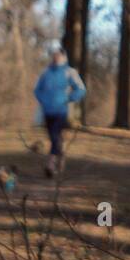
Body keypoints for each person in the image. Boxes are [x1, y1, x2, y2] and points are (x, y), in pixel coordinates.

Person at [33, 45, 86, 177]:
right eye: (54, 55)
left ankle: (50, 165)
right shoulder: (46, 72)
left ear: (63, 56)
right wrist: (44, 100)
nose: (56, 57)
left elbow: (81, 89)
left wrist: (68, 98)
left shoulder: (69, 72)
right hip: (47, 111)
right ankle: (61, 159)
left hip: (62, 111)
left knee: (55, 137)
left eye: (58, 55)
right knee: (54, 138)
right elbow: (37, 90)